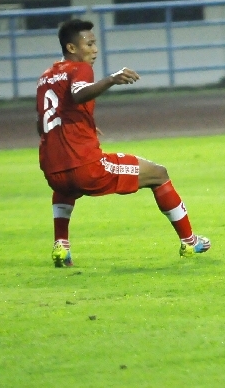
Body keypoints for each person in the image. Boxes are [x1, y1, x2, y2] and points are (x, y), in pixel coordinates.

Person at [36, 19, 210, 267]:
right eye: (89, 43)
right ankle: (190, 241)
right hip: (86, 166)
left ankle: (61, 247)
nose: (95, 49)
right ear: (72, 48)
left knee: (65, 188)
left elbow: (43, 121)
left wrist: (81, 124)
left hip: (53, 170)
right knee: (159, 174)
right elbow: (77, 93)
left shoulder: (46, 77)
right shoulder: (79, 69)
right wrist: (111, 79)